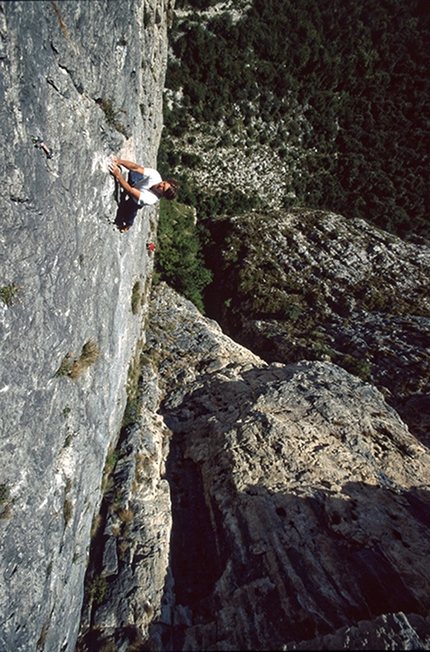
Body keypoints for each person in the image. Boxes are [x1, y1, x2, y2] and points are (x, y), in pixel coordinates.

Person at [108, 156, 178, 232]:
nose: (161, 185)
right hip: (137, 183)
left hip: (135, 200)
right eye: (164, 183)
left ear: (162, 194)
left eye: (163, 189)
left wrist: (117, 175)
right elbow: (136, 168)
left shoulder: (151, 199)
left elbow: (130, 191)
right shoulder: (156, 175)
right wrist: (119, 161)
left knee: (129, 213)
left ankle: (128, 225)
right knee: (134, 172)